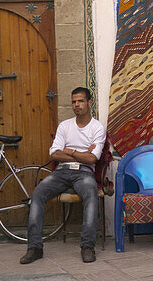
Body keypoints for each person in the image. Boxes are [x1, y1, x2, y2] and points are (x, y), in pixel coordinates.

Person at [21, 87, 105, 265]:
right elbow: (54, 154)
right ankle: (34, 248)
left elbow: (92, 158)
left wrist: (70, 150)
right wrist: (80, 153)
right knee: (37, 193)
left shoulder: (97, 128)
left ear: (89, 103)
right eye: (74, 101)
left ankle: (87, 247)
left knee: (91, 194)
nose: (77, 105)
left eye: (80, 101)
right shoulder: (65, 126)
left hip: (84, 172)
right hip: (62, 171)